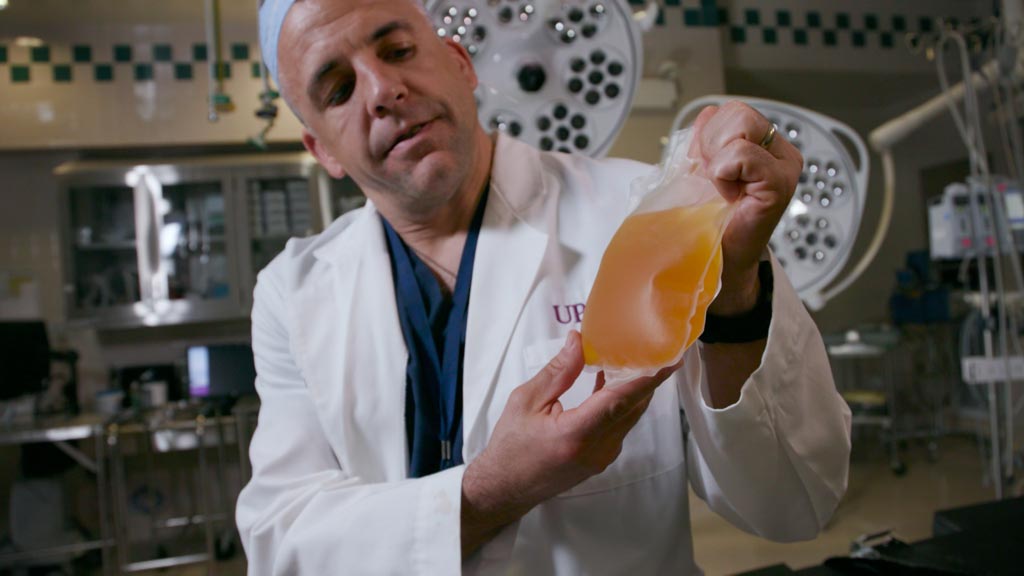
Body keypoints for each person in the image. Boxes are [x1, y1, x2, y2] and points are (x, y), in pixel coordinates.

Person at [237, 0, 852, 574]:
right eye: (339, 89)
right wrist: (493, 490)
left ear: (460, 62)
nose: (382, 91)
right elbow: (283, 539)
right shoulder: (293, 293)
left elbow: (792, 500)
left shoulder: (643, 213)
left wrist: (736, 285)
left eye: (397, 50)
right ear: (323, 150)